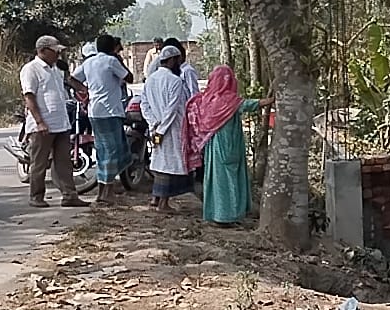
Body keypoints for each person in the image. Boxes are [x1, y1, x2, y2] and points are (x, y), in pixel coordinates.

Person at [185, 65, 272, 226]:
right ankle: (228, 216)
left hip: (213, 148)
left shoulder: (206, 100)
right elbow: (248, 105)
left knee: (216, 180)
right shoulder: (228, 101)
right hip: (230, 145)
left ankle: (216, 213)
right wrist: (270, 101)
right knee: (230, 179)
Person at [21, 35, 90, 209]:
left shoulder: (56, 69)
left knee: (64, 162)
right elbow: (29, 96)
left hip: (61, 123)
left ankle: (69, 195)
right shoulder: (31, 69)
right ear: (43, 51)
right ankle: (36, 196)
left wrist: (85, 90)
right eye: (55, 51)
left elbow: (68, 85)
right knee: (39, 163)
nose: (58, 55)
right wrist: (39, 122)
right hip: (43, 125)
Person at [72, 34, 133, 205]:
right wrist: (119, 60)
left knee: (103, 151)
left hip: (95, 112)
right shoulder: (111, 61)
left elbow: (73, 79)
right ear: (113, 47)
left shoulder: (89, 62)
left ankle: (103, 190)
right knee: (112, 152)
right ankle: (107, 190)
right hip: (110, 112)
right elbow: (129, 78)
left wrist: (86, 91)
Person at [140, 45, 192, 212]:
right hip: (171, 129)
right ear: (171, 61)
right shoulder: (175, 81)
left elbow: (144, 105)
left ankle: (156, 198)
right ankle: (163, 203)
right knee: (169, 165)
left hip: (157, 128)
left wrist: (153, 123)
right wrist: (161, 129)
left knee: (160, 162)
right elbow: (172, 109)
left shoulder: (150, 80)